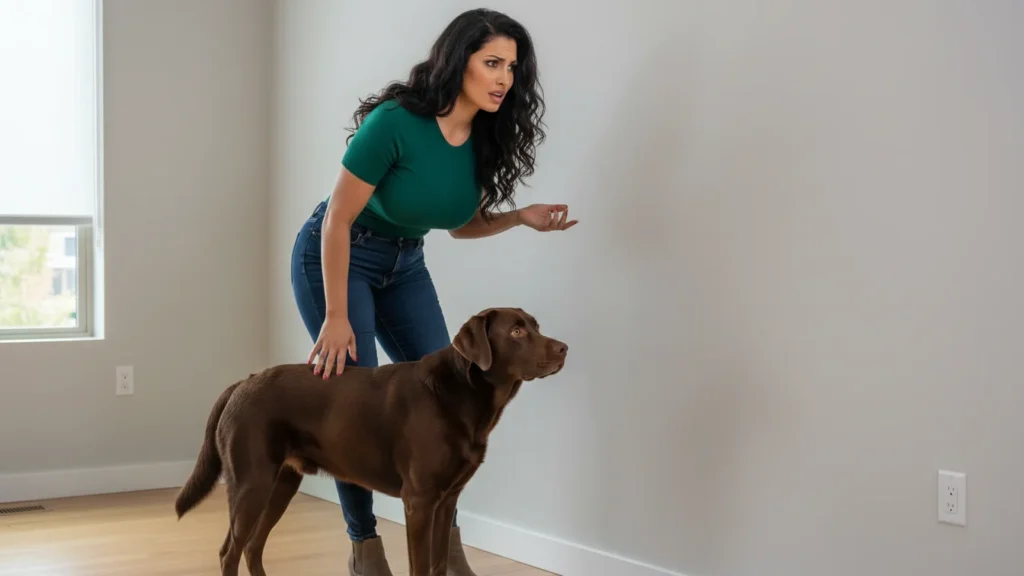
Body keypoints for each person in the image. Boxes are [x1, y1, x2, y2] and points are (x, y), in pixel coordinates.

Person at [289, 8, 576, 576]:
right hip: (341, 253)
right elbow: (337, 220)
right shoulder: (395, 122)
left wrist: (519, 216)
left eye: (511, 67)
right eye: (492, 62)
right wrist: (337, 315)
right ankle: (365, 550)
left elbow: (458, 224)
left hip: (406, 263)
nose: (504, 78)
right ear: (457, 61)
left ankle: (443, 552)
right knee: (353, 407)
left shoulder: (483, 139)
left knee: (451, 389)